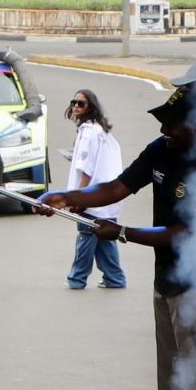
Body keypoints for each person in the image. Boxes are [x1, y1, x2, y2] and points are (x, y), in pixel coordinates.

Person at [44, 81, 196, 390]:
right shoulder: (161, 150)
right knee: (170, 376)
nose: (165, 130)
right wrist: (66, 197)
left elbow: (187, 232)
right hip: (166, 279)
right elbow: (117, 187)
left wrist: (124, 233)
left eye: (173, 124)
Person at [61, 88, 124, 291]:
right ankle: (115, 278)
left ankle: (77, 279)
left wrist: (79, 197)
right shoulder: (99, 130)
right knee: (105, 237)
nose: (75, 106)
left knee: (86, 236)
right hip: (107, 195)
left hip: (92, 196)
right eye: (74, 102)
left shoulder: (89, 132)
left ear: (91, 107)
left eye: (81, 103)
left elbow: (87, 169)